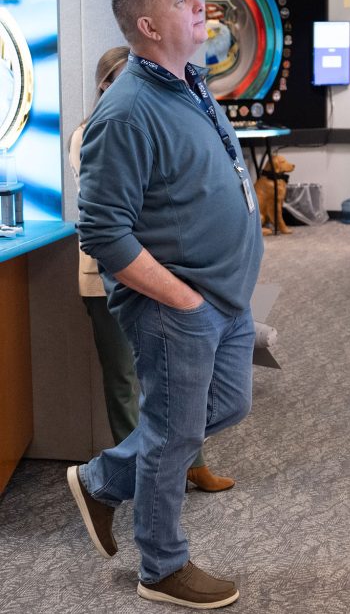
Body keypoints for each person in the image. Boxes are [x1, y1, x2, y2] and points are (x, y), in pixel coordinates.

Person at [67, 0, 263, 609]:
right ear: (149, 27)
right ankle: (163, 566)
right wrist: (180, 297)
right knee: (175, 432)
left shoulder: (190, 85)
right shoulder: (125, 110)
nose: (199, 4)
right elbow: (102, 230)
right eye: (182, 0)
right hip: (179, 305)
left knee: (224, 407)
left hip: (224, 297)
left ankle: (103, 479)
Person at [69, 45, 235, 494]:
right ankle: (136, 475)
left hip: (161, 275)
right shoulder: (90, 133)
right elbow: (119, 210)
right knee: (125, 377)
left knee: (180, 377)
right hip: (107, 278)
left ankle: (192, 462)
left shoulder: (165, 125)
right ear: (106, 84)